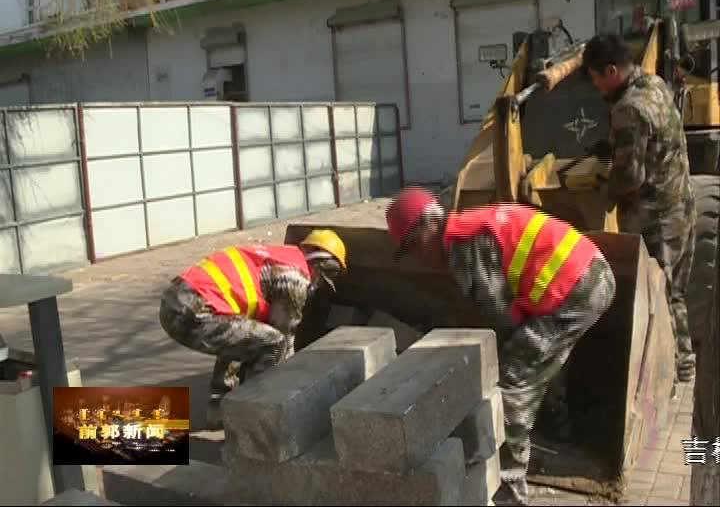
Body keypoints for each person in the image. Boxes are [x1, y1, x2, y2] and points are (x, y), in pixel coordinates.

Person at [385, 187, 616, 506]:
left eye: (412, 248)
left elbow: (503, 319)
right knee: (539, 356)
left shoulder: (463, 245)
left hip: (576, 289)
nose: (417, 258)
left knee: (513, 377)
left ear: (427, 227)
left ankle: (509, 487)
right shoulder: (467, 226)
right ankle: (556, 429)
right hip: (587, 275)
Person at [583, 33, 696, 383]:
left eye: (597, 79)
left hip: (655, 219)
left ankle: (675, 370)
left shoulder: (627, 109)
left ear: (612, 71)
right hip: (680, 205)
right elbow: (651, 140)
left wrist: (599, 190)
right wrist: (612, 145)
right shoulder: (656, 85)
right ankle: (684, 364)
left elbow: (629, 177)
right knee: (674, 290)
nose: (597, 88)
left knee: (658, 294)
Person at [159, 230, 346, 430]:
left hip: (177, 303)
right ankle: (254, 415)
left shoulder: (279, 256)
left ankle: (220, 412)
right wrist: (294, 389)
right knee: (273, 343)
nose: (317, 283)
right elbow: (284, 335)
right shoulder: (294, 276)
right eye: (323, 276)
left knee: (246, 338)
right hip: (192, 311)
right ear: (318, 263)